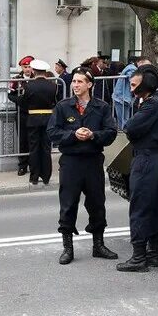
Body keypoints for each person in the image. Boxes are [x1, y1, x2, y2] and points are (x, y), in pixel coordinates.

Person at [48, 68, 119, 264]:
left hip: (93, 160)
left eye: (80, 82)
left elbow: (111, 132)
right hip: (71, 161)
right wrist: (72, 135)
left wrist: (93, 135)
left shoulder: (102, 107)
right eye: (74, 82)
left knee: (97, 203)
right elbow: (52, 132)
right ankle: (67, 247)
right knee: (68, 204)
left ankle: (98, 244)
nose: (75, 85)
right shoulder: (63, 106)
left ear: (90, 84)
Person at [117, 65, 158, 272]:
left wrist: (133, 131)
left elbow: (130, 128)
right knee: (153, 208)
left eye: (133, 84)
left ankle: (139, 258)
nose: (131, 89)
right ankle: (152, 254)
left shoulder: (152, 104)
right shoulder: (151, 103)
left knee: (139, 208)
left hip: (146, 159)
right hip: (152, 159)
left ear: (145, 84)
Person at [20, 59, 60, 185]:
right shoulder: (53, 86)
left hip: (33, 119)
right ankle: (46, 176)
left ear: (33, 70)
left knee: (34, 148)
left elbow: (24, 102)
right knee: (46, 148)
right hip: (48, 119)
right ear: (45, 72)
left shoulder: (29, 86)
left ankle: (34, 176)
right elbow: (56, 102)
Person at [9, 56, 36, 177]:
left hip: (35, 113)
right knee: (23, 140)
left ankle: (34, 164)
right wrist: (19, 100)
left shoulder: (37, 78)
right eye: (25, 67)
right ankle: (22, 165)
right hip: (22, 113)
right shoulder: (16, 80)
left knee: (34, 140)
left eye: (29, 66)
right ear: (21, 67)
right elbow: (10, 94)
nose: (27, 69)